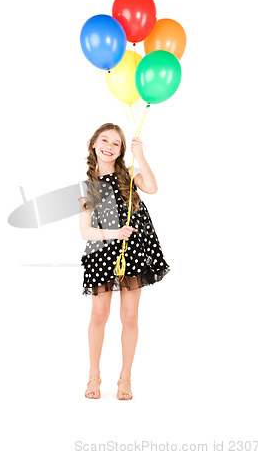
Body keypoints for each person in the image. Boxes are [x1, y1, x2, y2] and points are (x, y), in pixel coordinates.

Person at [78, 123, 170, 400]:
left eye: (116, 143)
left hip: (131, 251)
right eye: (104, 140)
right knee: (99, 315)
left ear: (120, 151)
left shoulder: (127, 176)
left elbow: (152, 187)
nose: (109, 145)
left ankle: (125, 379)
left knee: (129, 316)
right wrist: (114, 233)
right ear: (94, 144)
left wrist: (140, 154)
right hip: (102, 252)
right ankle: (94, 376)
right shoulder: (90, 186)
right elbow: (86, 232)